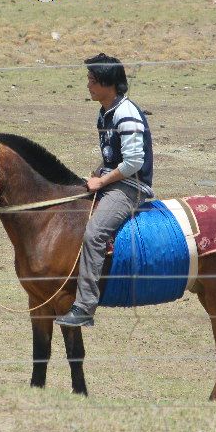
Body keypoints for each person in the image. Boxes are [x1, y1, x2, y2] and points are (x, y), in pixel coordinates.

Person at [55, 53, 154, 327]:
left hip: (131, 187)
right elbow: (113, 156)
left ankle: (85, 307)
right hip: (114, 179)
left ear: (107, 83)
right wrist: (98, 172)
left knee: (95, 233)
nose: (87, 85)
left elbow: (134, 162)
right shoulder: (105, 112)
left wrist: (102, 181)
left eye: (92, 80)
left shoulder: (126, 113)